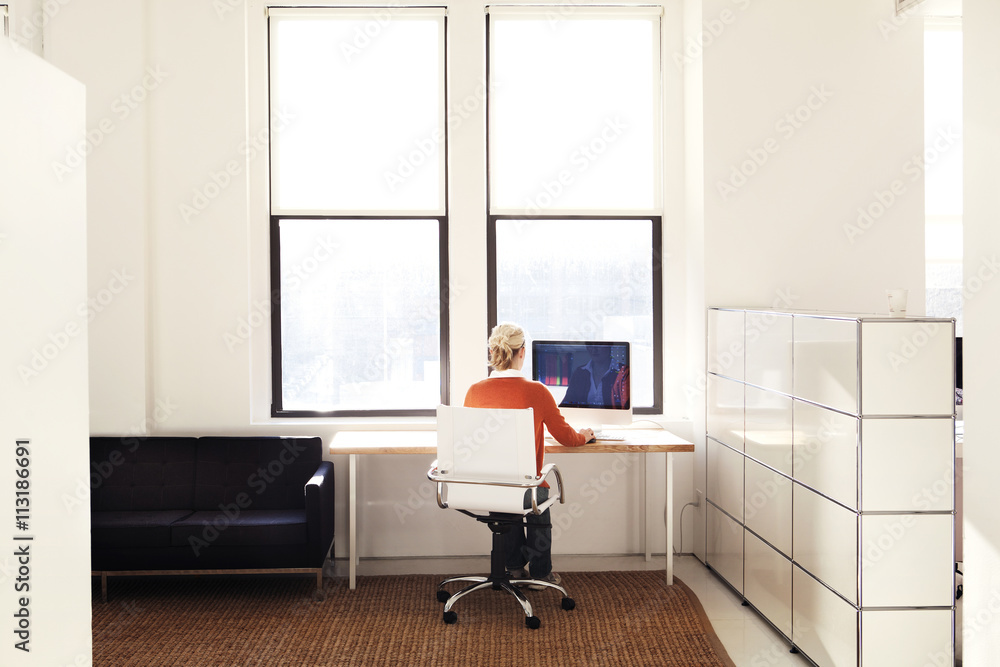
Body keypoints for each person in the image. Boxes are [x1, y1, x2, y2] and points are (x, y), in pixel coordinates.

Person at [464, 322, 593, 589]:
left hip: (488, 485)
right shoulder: (537, 391)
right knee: (537, 492)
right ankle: (540, 573)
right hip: (525, 486)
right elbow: (567, 438)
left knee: (504, 496)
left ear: (493, 351)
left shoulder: (474, 391)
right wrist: (586, 435)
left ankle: (513, 568)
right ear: (523, 352)